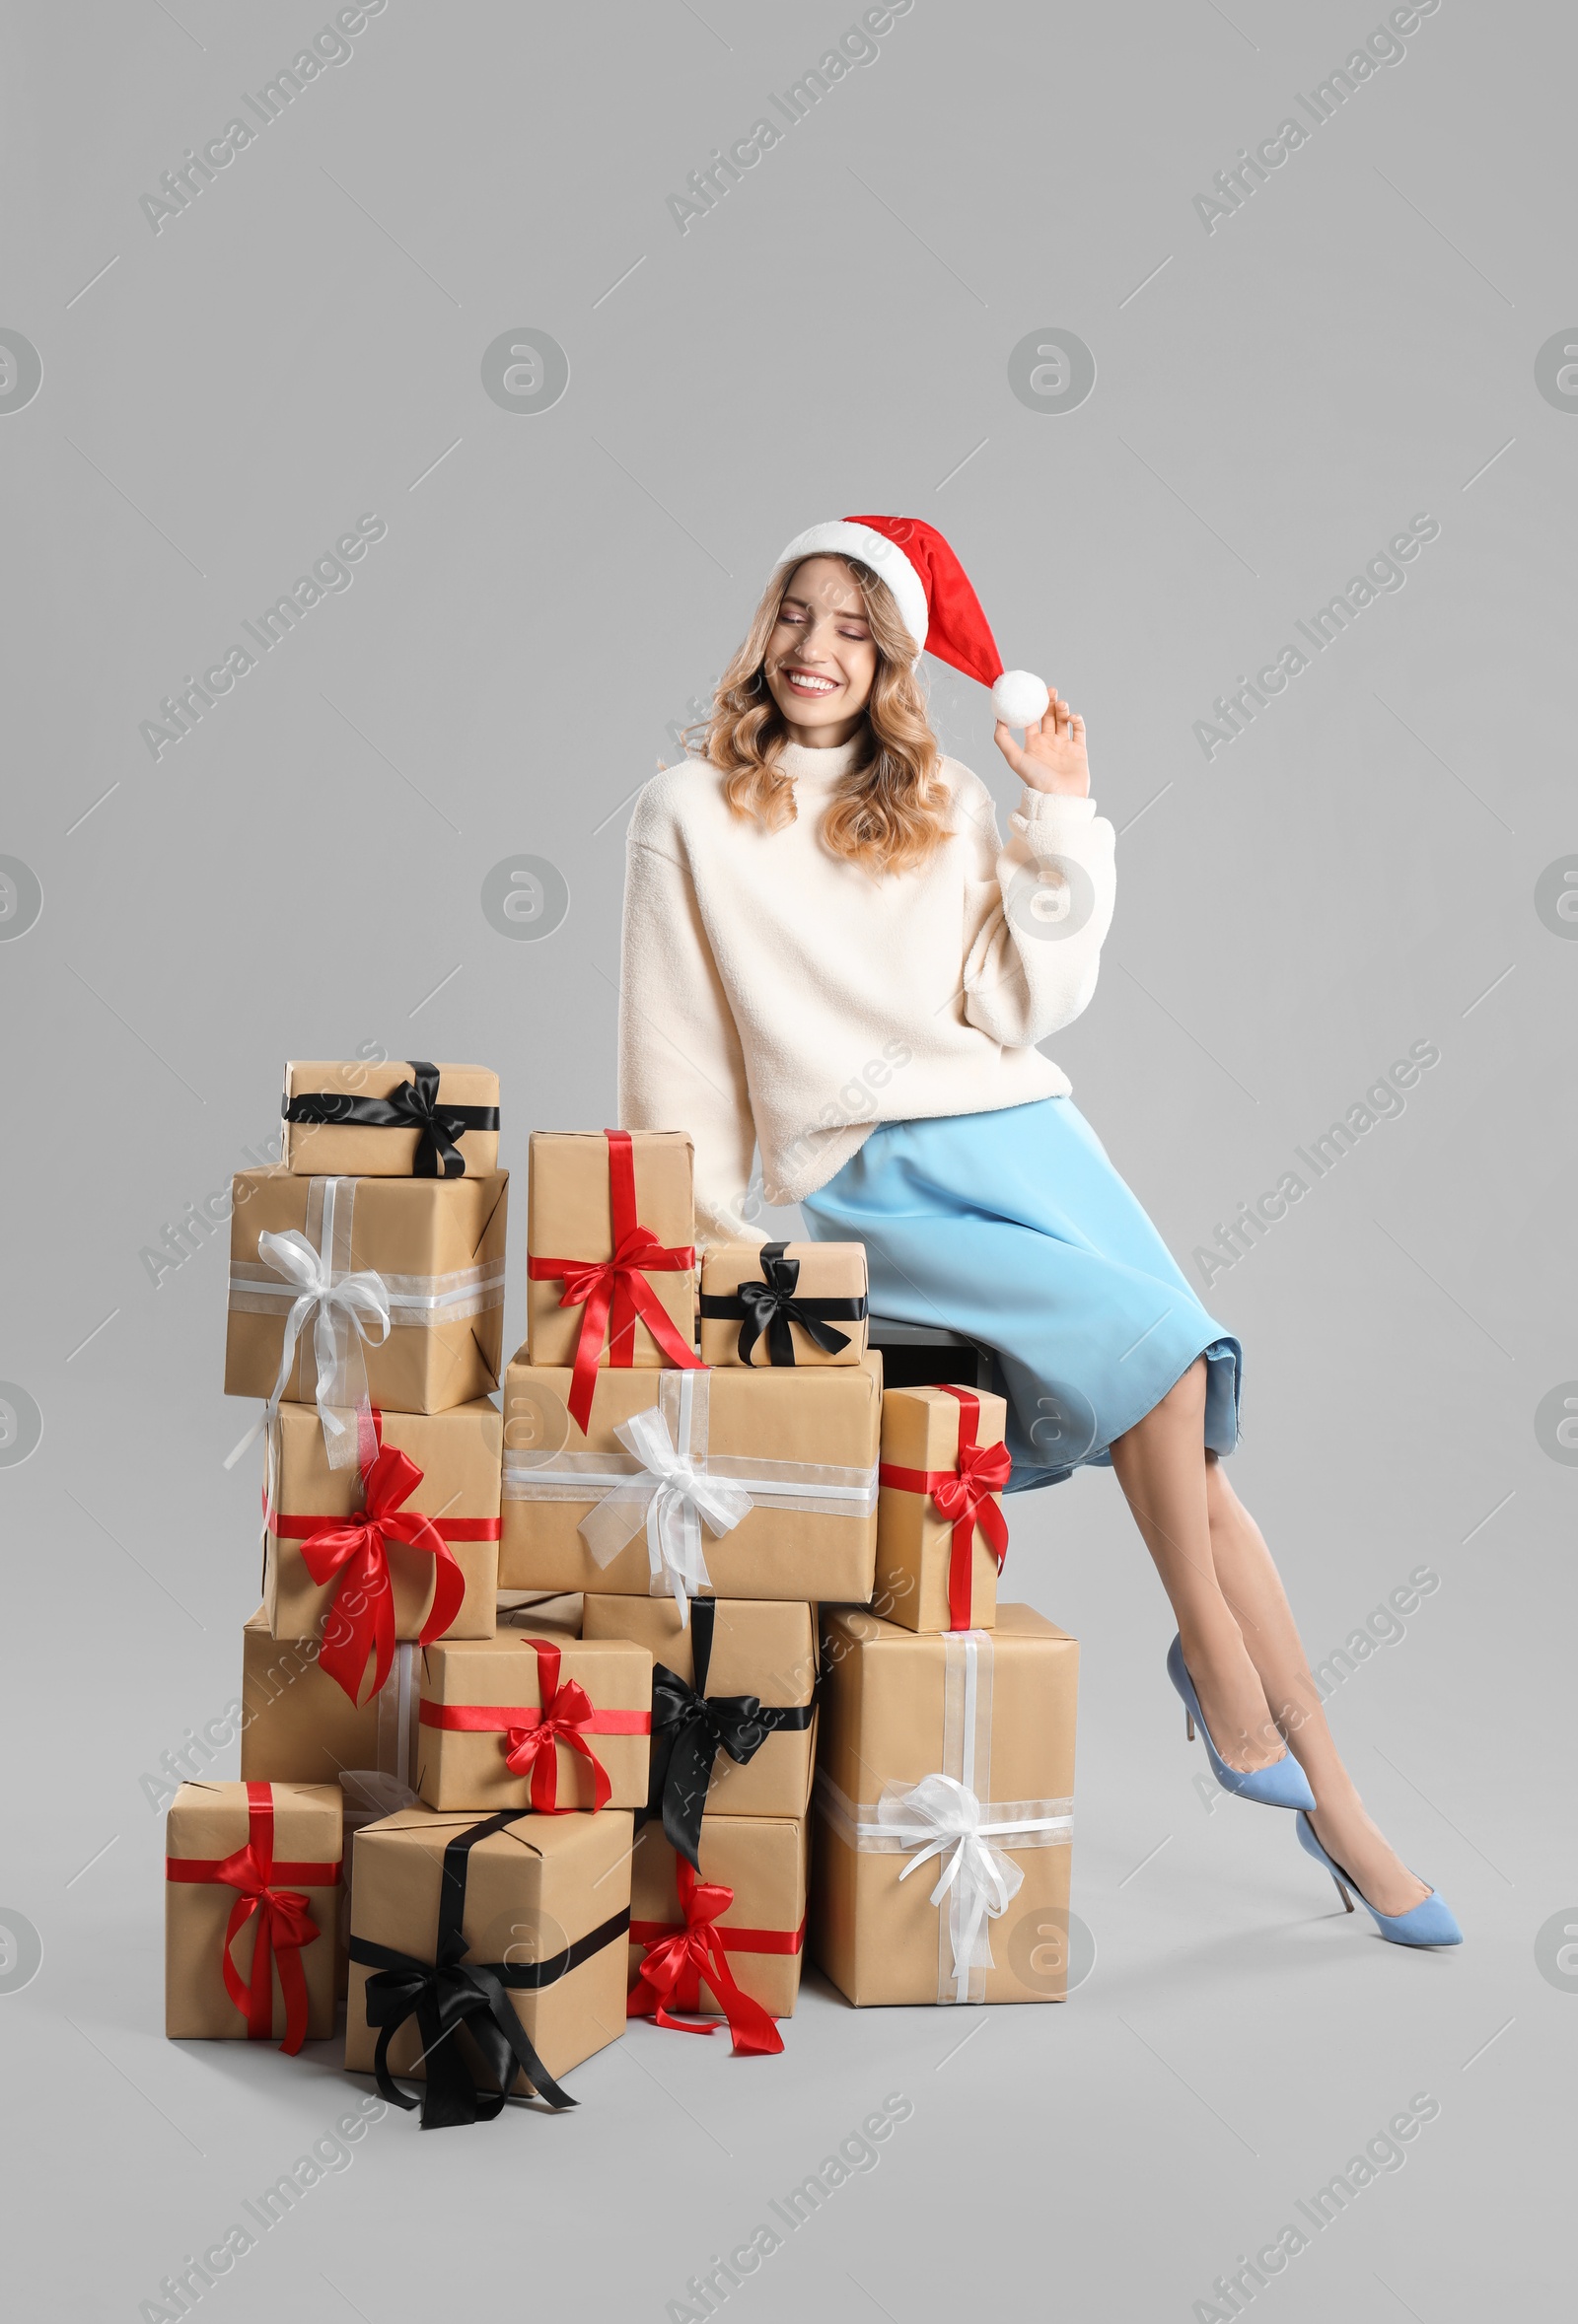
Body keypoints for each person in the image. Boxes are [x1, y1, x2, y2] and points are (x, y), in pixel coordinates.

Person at [617, 514, 1460, 1948]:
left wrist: (1058, 812)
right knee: (1169, 1366)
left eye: (855, 624)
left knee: (1191, 1445)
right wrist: (702, 1240)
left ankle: (1336, 1797)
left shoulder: (938, 794)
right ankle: (1227, 1687)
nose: (818, 648)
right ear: (762, 627)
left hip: (1031, 1139)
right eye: (795, 614)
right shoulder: (685, 811)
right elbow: (675, 1059)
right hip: (883, 1175)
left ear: (892, 653)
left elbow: (1016, 1002)